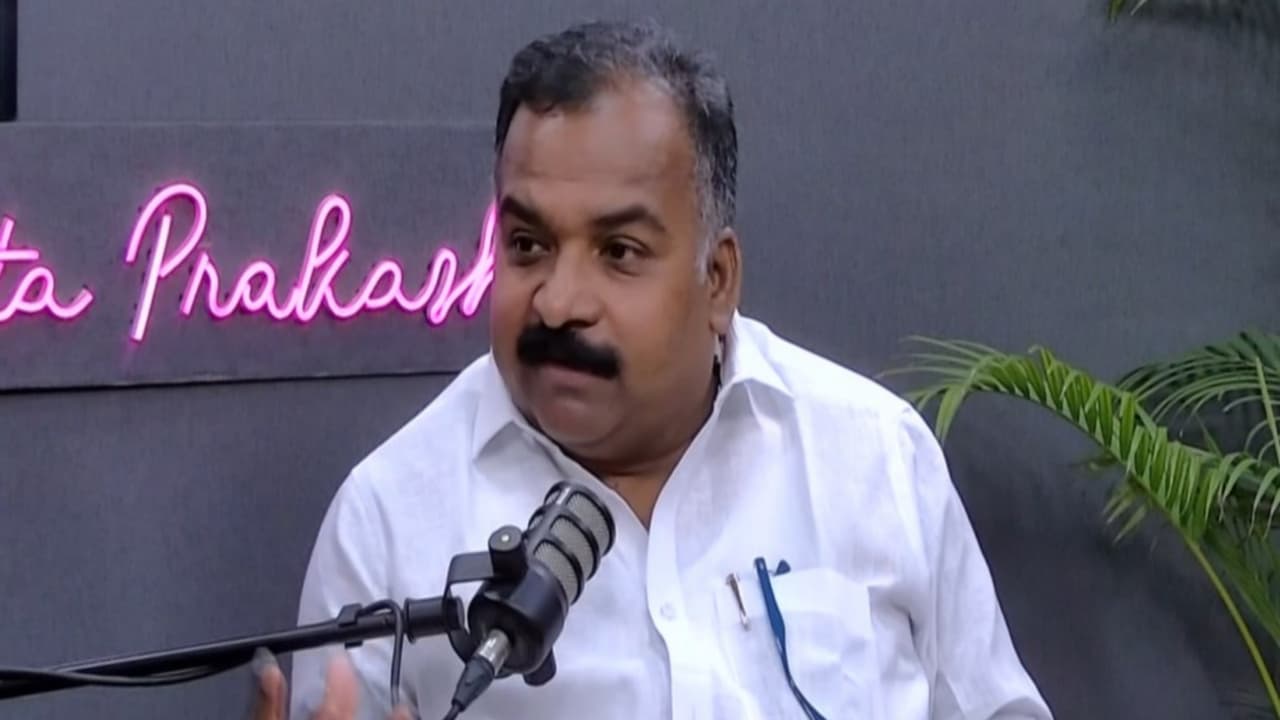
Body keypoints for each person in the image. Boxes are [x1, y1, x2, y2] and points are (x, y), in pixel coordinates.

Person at [253, 18, 1053, 720]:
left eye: (619, 252)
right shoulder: (387, 521)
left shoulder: (875, 458)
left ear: (718, 280)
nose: (558, 303)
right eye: (527, 245)